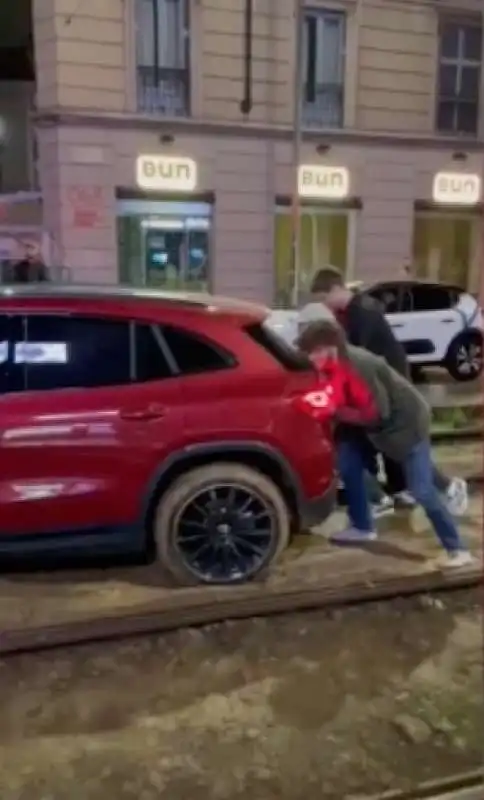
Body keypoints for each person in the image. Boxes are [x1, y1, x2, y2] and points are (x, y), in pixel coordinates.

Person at [295, 319, 473, 569]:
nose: (310, 359)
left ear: (329, 347)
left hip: (406, 424)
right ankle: (362, 526)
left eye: (313, 353)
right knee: (348, 462)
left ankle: (457, 549)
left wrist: (333, 410)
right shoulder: (333, 364)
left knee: (420, 489)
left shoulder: (359, 366)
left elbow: (377, 413)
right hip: (376, 427)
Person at [304, 266, 468, 517]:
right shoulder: (348, 313)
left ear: (337, 289)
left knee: (389, 442)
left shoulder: (364, 313)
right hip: (382, 386)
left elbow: (360, 358)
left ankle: (425, 489)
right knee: (388, 444)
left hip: (389, 387)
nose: (325, 306)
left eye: (325, 298)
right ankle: (398, 490)